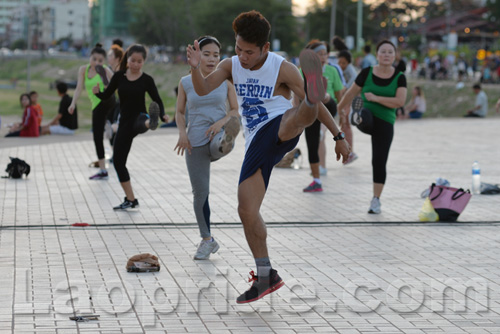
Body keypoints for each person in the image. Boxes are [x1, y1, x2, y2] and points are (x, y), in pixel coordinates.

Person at [186, 10, 350, 303]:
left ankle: (311, 96)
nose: (243, 56)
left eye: (249, 52)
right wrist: (196, 68)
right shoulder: (230, 65)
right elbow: (203, 89)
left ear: (265, 48)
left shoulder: (281, 68)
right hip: (257, 143)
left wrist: (339, 137)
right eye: (238, 49)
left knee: (295, 118)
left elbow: (323, 113)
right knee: (246, 210)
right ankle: (266, 276)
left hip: (278, 124)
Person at [174, 36, 240, 260]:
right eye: (207, 54)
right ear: (196, 55)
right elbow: (180, 112)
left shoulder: (226, 81)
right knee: (200, 193)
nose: (212, 59)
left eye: (216, 55)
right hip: (194, 142)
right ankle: (207, 240)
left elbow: (234, 110)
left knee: (219, 142)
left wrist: (221, 123)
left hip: (218, 134)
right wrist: (182, 133)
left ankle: (226, 140)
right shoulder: (185, 82)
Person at [93, 44, 167, 210]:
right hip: (124, 121)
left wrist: (162, 115)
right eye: (133, 60)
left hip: (139, 116)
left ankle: (151, 122)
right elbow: (107, 95)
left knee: (142, 122)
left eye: (139, 62)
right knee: (119, 162)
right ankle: (131, 199)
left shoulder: (147, 80)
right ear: (128, 59)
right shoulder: (119, 76)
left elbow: (158, 99)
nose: (135, 64)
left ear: (143, 62)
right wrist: (98, 92)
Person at [337, 40, 407, 214]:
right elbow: (351, 92)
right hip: (367, 118)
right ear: (377, 55)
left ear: (394, 55)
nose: (386, 55)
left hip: (386, 122)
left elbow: (400, 101)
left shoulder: (399, 77)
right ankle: (357, 116)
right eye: (383, 52)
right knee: (365, 116)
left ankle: (376, 200)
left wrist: (376, 98)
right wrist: (340, 109)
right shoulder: (367, 73)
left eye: (390, 52)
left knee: (378, 161)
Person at [298, 40, 343, 192]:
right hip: (310, 110)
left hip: (329, 107)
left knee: (325, 98)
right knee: (312, 143)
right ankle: (316, 181)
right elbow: (296, 96)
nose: (323, 57)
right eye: (319, 54)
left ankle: (321, 95)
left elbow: (339, 94)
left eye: (325, 54)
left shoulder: (332, 71)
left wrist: (342, 111)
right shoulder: (301, 71)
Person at [69, 43, 116, 180]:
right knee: (97, 138)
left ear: (104, 61)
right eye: (94, 59)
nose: (96, 62)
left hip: (108, 99)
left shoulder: (105, 69)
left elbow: (117, 81)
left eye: (100, 60)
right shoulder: (83, 69)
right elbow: (79, 88)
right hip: (96, 105)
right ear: (89, 57)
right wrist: (73, 103)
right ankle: (103, 169)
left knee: (97, 134)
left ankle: (103, 171)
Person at [337, 50, 359, 165]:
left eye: (344, 63)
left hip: (348, 98)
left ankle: (350, 152)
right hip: (344, 98)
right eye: (339, 62)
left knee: (346, 124)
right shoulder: (342, 69)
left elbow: (354, 78)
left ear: (348, 63)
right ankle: (348, 152)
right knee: (344, 125)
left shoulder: (350, 69)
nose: (341, 65)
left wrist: (345, 87)